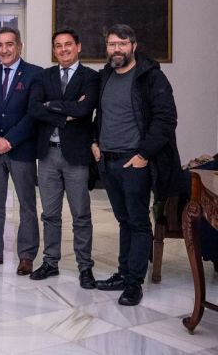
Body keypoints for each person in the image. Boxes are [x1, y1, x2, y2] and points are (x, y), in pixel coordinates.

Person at [92, 24, 180, 307]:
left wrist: (143, 154)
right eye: (112, 44)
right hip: (108, 161)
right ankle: (123, 273)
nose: (116, 49)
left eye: (122, 44)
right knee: (124, 220)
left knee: (138, 222)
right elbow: (100, 115)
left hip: (135, 162)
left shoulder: (150, 77)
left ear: (133, 46)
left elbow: (166, 120)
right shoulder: (106, 76)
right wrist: (95, 141)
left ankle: (133, 284)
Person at [27, 28, 99, 289]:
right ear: (54, 50)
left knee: (81, 214)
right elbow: (34, 108)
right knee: (50, 214)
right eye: (58, 45)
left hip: (76, 155)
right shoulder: (44, 76)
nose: (64, 49)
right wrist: (65, 114)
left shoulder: (91, 77)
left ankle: (85, 267)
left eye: (68, 44)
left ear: (78, 47)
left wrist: (52, 105)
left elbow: (85, 108)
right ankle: (50, 262)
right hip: (48, 155)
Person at [0, 26, 40, 275]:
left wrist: (9, 140)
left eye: (9, 44)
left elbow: (33, 113)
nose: (4, 50)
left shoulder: (35, 74)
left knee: (26, 205)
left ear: (19, 46)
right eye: (0, 45)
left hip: (21, 150)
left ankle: (26, 256)